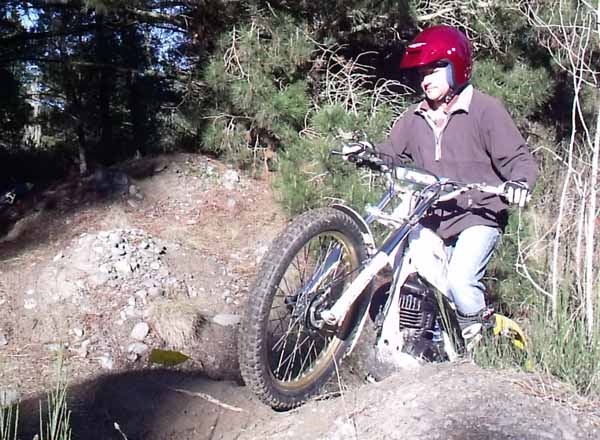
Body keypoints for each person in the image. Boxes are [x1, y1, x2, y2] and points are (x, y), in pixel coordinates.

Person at [374, 25, 538, 334]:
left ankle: (480, 360)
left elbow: (519, 160)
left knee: (460, 282)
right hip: (432, 217)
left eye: (435, 69)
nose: (426, 79)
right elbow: (393, 152)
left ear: (456, 67)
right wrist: (369, 152)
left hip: (478, 214)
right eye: (422, 72)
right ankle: (424, 345)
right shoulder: (414, 116)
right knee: (413, 281)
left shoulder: (485, 110)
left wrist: (519, 183)